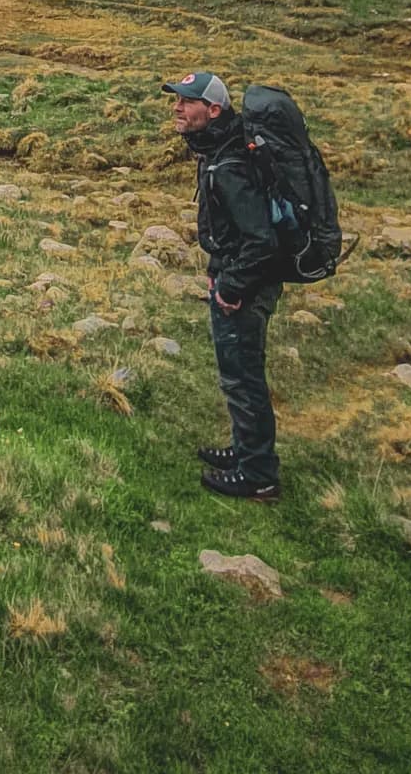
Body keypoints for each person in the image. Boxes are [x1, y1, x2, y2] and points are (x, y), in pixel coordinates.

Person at [163, 70, 282, 502]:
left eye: (186, 101)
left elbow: (261, 241)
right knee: (241, 373)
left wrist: (230, 287)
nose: (177, 108)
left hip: (244, 286)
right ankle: (248, 453)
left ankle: (258, 476)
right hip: (236, 275)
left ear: (213, 110)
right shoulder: (221, 150)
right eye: (176, 100)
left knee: (242, 377)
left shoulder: (230, 164)